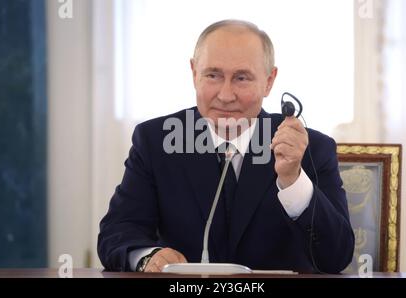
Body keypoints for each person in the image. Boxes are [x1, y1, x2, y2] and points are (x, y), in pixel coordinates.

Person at [98, 19, 354, 273]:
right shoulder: (155, 141)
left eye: (241, 78)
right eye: (213, 75)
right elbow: (117, 234)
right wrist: (149, 257)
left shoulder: (311, 149)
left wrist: (293, 180)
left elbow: (336, 257)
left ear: (269, 81)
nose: (225, 95)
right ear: (194, 73)